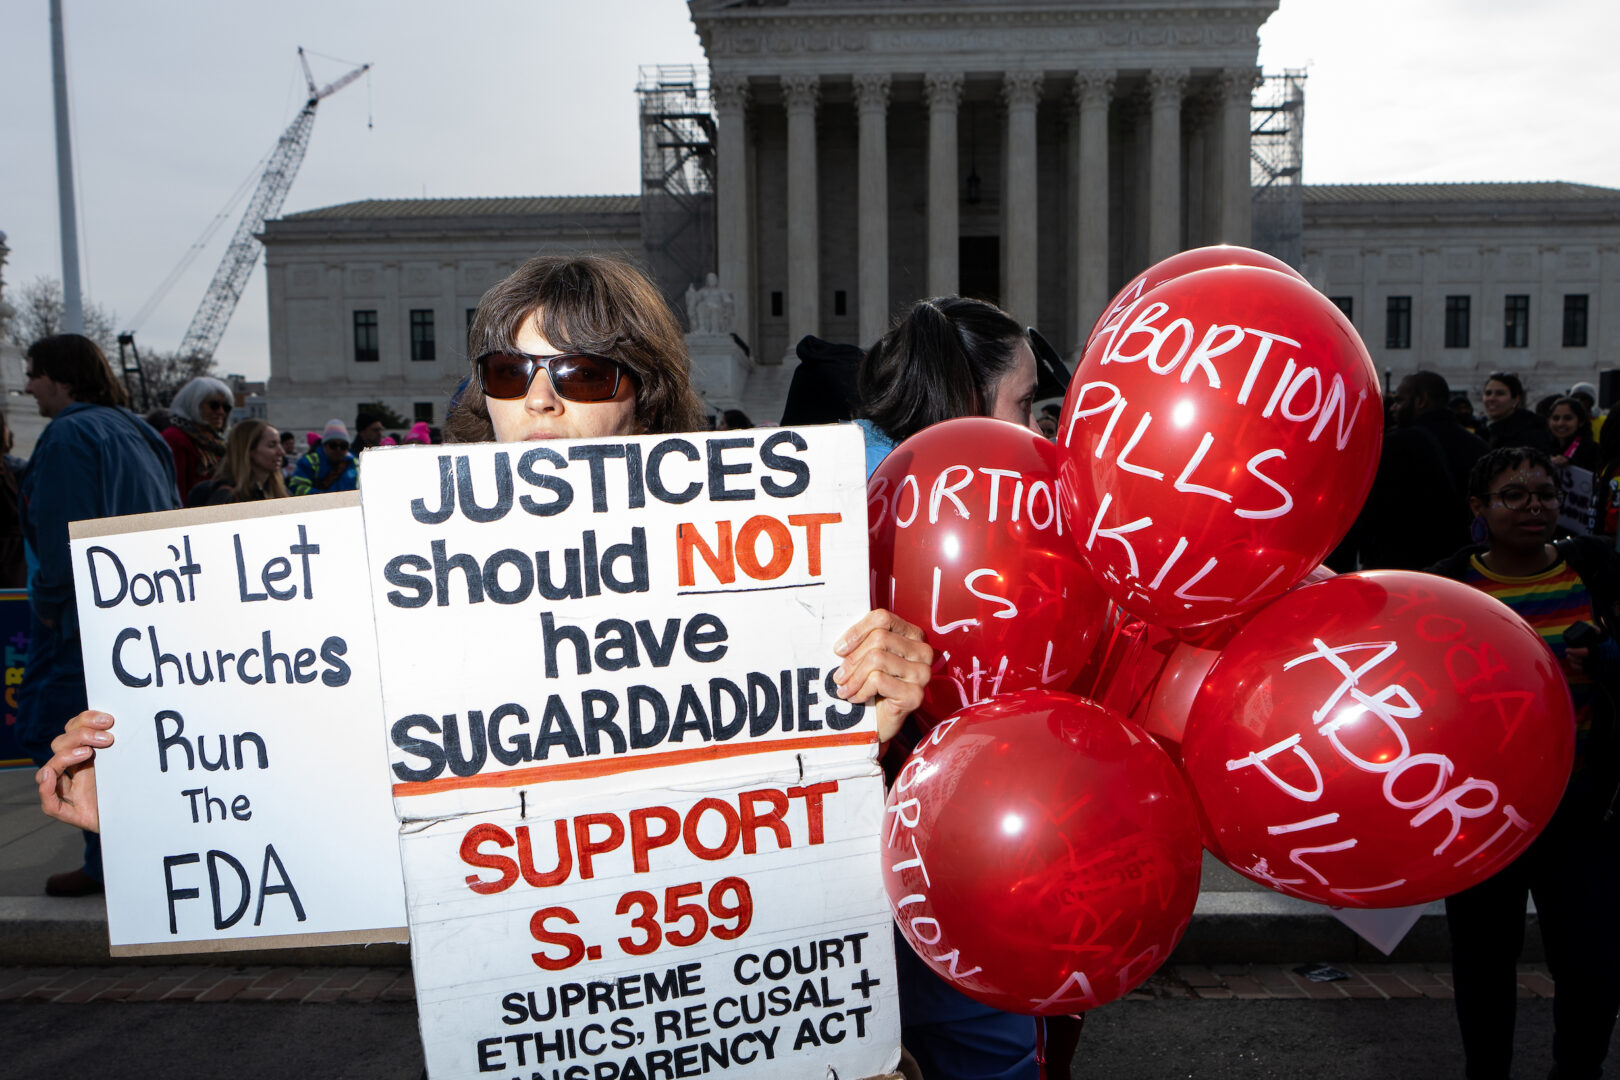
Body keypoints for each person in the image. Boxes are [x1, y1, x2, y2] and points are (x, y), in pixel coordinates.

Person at [39, 253, 932, 917]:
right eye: (512, 371)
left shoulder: (765, 570)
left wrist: (875, 722)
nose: (540, 400)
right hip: (525, 998)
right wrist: (165, 803)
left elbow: (818, 833)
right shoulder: (403, 577)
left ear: (644, 392)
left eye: (581, 371)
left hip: (717, 997)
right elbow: (343, 801)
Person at [857, 295, 1044, 1080]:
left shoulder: (828, 485)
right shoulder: (994, 512)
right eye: (1026, 405)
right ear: (971, 400)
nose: (1037, 431)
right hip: (950, 847)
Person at [1428, 446, 1620, 1080]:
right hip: (1481, 813)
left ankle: (1579, 1070)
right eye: (1514, 495)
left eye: (1545, 493)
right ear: (1479, 508)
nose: (1533, 506)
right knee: (1484, 965)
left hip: (1585, 808)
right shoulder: (1445, 589)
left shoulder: (1595, 571)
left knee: (1594, 963)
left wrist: (1607, 660)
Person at [20, 333, 179, 896]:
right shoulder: (140, 431)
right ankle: (133, 857)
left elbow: (62, 537)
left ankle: (109, 862)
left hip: (84, 622)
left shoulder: (68, 434)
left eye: (34, 374)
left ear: (61, 379)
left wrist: (48, 607)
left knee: (71, 738)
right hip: (151, 611)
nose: (27, 385)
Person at [1332, 371, 1489, 571]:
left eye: (1400, 399)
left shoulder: (1393, 446)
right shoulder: (1478, 446)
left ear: (1421, 401)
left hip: (1399, 570)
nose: (1394, 408)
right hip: (1462, 568)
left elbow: (1363, 513)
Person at [161, 376, 234, 506]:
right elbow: (177, 489)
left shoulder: (216, 442)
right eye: (214, 405)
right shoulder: (175, 438)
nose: (221, 412)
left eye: (226, 407)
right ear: (194, 404)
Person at [186, 419, 290, 505]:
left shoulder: (277, 491)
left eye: (279, 444)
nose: (281, 452)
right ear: (248, 450)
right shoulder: (225, 497)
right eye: (271, 445)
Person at [1481, 372, 1556, 454]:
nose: (1491, 398)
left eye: (1500, 394)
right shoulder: (1484, 433)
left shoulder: (1531, 436)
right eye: (1488, 393)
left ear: (1516, 399)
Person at [288, 419, 358, 494]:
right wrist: (325, 499)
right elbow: (296, 487)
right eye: (333, 445)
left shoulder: (355, 463)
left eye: (343, 446)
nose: (338, 449)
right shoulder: (310, 462)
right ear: (324, 445)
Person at [1548, 395, 1600, 473]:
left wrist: (1571, 462)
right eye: (1556, 418)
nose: (1560, 423)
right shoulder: (1542, 448)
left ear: (1581, 422)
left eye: (1568, 418)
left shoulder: (1594, 452)